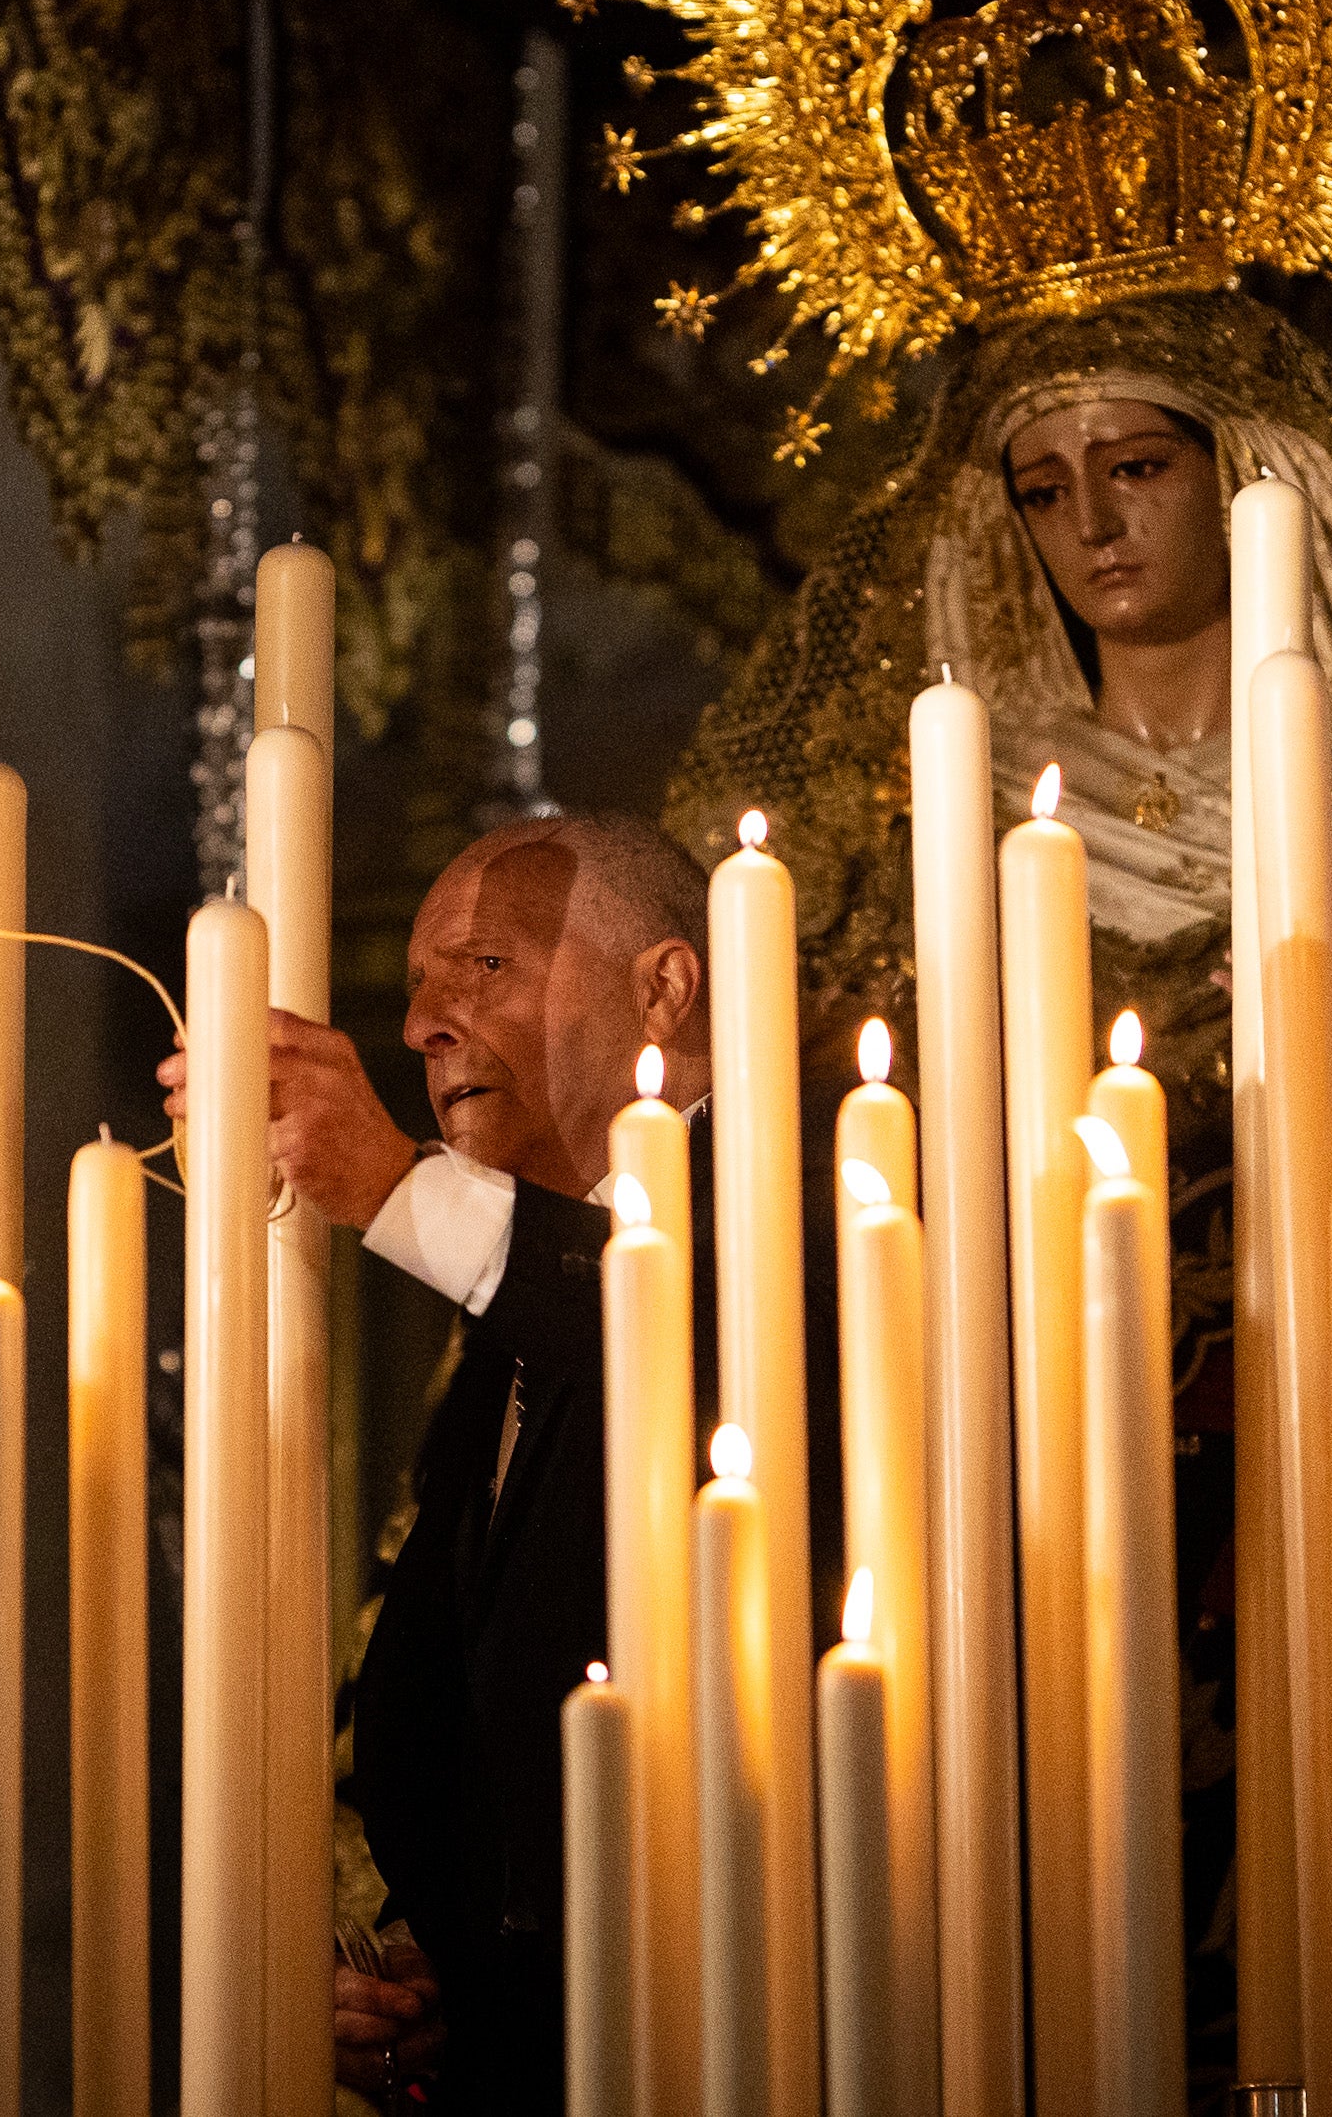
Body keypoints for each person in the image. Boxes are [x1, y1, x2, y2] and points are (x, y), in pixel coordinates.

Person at [160, 808, 836, 2111]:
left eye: (481, 967)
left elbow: (685, 1328)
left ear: (669, 986)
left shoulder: (814, 1191)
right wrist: (420, 1965)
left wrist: (388, 1184)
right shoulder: (499, 1322)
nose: (420, 1024)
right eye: (414, 985)